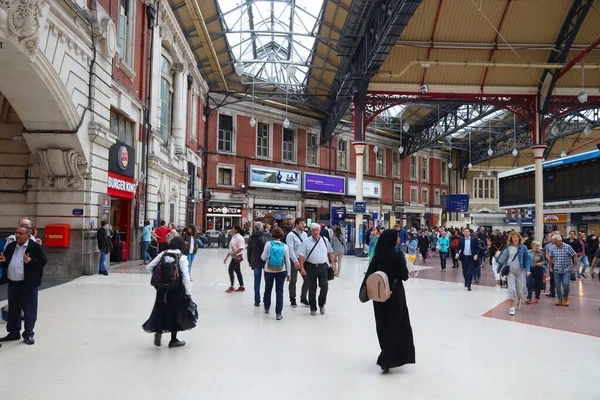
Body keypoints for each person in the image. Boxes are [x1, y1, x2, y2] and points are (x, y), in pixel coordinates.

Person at [360, 229, 415, 374]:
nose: (398, 239)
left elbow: (370, 273)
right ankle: (388, 357)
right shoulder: (397, 254)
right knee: (396, 324)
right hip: (394, 294)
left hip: (378, 295)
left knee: (382, 323)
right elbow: (404, 275)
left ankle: (385, 351)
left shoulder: (378, 254)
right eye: (396, 237)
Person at [0, 224, 47, 346]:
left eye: (20, 233)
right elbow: (7, 261)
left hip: (28, 284)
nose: (17, 235)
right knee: (13, 309)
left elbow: (43, 261)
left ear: (28, 235)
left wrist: (31, 261)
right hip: (13, 283)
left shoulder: (34, 247)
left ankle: (28, 334)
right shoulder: (11, 247)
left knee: (29, 310)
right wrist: (4, 262)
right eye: (16, 233)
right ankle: (14, 332)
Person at [143, 236, 191, 348]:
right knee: (175, 312)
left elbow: (149, 267)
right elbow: (185, 277)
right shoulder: (182, 257)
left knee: (160, 309)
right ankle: (173, 340)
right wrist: (188, 293)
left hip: (162, 289)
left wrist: (159, 279)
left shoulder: (163, 254)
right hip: (176, 289)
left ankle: (158, 331)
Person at [298, 223, 335, 316]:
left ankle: (321, 304)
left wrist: (333, 264)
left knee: (324, 286)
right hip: (311, 267)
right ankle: (313, 307)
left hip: (323, 267)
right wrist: (302, 268)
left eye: (317, 230)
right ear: (311, 231)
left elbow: (330, 252)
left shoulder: (325, 240)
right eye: (313, 230)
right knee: (312, 288)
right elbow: (301, 256)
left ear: (319, 231)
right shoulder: (306, 241)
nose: (315, 232)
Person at [496, 232, 531, 316]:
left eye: (516, 237)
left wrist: (527, 270)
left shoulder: (523, 247)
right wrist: (499, 268)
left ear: (519, 238)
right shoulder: (508, 247)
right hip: (510, 270)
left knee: (519, 289)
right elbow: (503, 258)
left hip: (520, 270)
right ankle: (512, 308)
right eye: (513, 237)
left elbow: (527, 258)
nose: (515, 238)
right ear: (511, 239)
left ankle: (519, 299)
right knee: (511, 289)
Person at [260, 228, 291, 320]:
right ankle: (278, 313)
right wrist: (289, 273)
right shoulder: (285, 246)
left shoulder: (268, 244)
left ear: (272, 235)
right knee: (279, 291)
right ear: (282, 236)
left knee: (268, 288)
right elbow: (287, 261)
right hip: (281, 270)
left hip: (269, 270)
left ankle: (266, 307)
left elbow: (263, 257)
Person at [548, 234, 578, 307]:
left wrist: (574, 267)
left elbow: (574, 255)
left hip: (567, 269)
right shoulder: (553, 247)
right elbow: (551, 257)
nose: (554, 243)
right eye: (553, 242)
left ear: (560, 241)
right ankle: (559, 298)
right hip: (556, 269)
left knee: (566, 284)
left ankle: (566, 298)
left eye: (555, 241)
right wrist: (550, 267)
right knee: (557, 285)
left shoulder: (567, 247)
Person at [247, 222, 272, 307]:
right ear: (262, 227)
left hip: (255, 260)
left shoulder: (252, 237)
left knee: (257, 281)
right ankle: (266, 299)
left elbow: (249, 250)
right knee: (267, 281)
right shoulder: (268, 236)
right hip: (265, 260)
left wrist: (249, 261)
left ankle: (257, 300)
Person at [286, 218, 308, 307]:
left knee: (307, 279)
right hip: (293, 260)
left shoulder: (305, 234)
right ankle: (292, 299)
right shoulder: (290, 235)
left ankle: (303, 298)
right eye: (302, 223)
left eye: (304, 223)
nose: (303, 225)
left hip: (303, 260)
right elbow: (290, 249)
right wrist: (295, 261)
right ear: (296, 224)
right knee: (293, 281)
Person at [225, 226, 245, 293]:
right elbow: (231, 248)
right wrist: (226, 257)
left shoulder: (239, 238)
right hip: (234, 256)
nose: (231, 230)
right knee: (238, 271)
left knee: (230, 270)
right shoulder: (234, 237)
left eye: (233, 228)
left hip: (237, 256)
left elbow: (241, 248)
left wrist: (234, 254)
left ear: (236, 230)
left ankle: (232, 286)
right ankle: (242, 286)